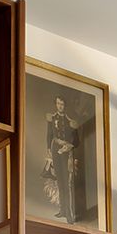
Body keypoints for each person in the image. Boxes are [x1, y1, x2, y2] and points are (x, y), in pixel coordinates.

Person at [45, 95, 79, 225]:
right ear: (56, 104)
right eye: (58, 104)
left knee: (67, 183)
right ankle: (63, 210)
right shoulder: (51, 119)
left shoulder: (71, 121)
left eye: (62, 104)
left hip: (66, 153)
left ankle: (70, 214)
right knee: (59, 181)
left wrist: (69, 146)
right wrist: (48, 149)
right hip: (55, 151)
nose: (60, 106)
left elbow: (76, 141)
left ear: (65, 106)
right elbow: (49, 136)